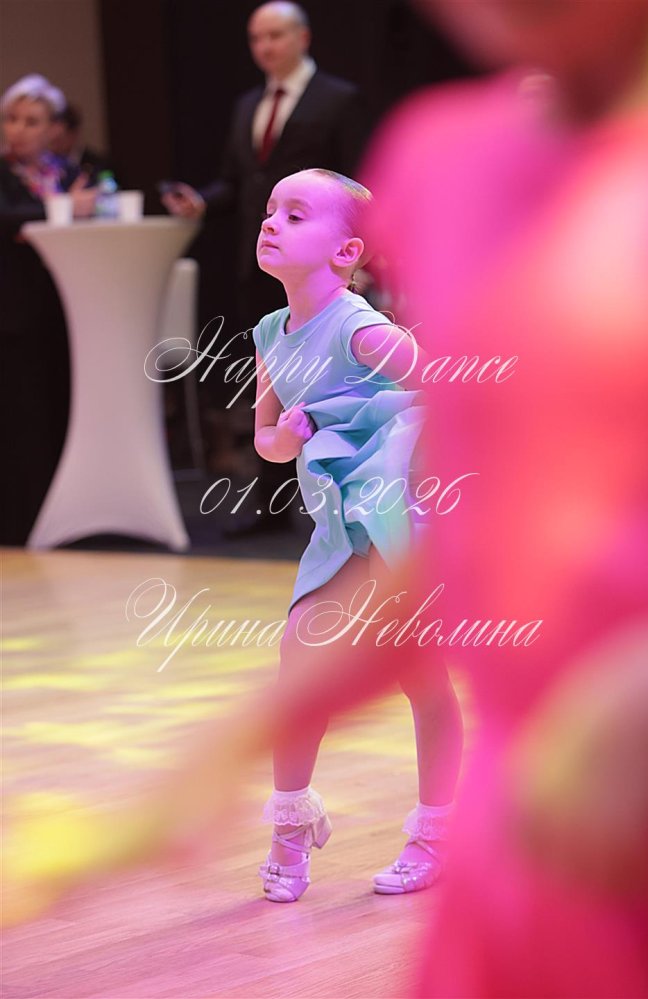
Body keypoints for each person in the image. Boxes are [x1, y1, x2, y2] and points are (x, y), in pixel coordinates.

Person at [251, 167, 463, 901]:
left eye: (296, 214)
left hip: (397, 523)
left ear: (345, 253)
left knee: (419, 676)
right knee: (298, 664)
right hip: (337, 527)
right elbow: (267, 441)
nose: (272, 222)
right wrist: (287, 434)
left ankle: (436, 832)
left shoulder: (359, 328)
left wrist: (379, 432)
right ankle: (290, 825)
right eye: (271, 210)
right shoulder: (270, 334)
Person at [163, 2, 368, 524]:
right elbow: (241, 182)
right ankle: (273, 506)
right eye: (257, 38)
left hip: (324, 268)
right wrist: (203, 202)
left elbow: (356, 186)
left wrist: (360, 259)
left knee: (332, 379)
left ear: (303, 37)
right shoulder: (248, 105)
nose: (265, 47)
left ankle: (346, 500)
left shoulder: (338, 99)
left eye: (275, 35)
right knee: (273, 379)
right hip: (262, 266)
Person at [0, 74, 97, 545]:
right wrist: (62, 210)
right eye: (12, 119)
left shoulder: (67, 173)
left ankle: (66, 517)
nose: (18, 130)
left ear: (53, 128)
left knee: (62, 410)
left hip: (68, 310)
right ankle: (20, 522)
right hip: (14, 314)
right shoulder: (5, 175)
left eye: (31, 121)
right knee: (22, 417)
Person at [49, 103, 112, 184]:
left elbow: (110, 188)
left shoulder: (98, 163)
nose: (52, 144)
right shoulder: (45, 163)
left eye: (58, 139)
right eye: (50, 139)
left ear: (74, 133)